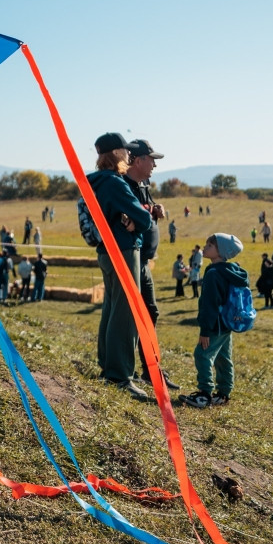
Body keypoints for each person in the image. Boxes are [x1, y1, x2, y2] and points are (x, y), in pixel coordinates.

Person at [87, 133, 154, 401]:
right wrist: (140, 217)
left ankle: (108, 365)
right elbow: (143, 218)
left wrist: (134, 216)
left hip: (107, 250)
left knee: (112, 308)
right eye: (125, 151)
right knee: (126, 312)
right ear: (116, 154)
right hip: (123, 249)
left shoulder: (96, 181)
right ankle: (119, 375)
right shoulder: (115, 182)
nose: (129, 155)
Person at [123, 138, 176, 389]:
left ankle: (149, 370)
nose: (154, 164)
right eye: (151, 159)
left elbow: (143, 209)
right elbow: (127, 212)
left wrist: (154, 207)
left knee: (149, 312)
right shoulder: (124, 184)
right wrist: (149, 210)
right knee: (139, 313)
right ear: (138, 159)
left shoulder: (143, 183)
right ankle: (134, 370)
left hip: (143, 258)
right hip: (133, 256)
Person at [180, 233, 247, 408]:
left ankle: (204, 394)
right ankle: (223, 394)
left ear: (221, 252)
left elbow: (209, 305)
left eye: (210, 245)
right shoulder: (231, 270)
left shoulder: (212, 274)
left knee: (202, 355)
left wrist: (205, 331)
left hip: (215, 325)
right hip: (227, 323)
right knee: (223, 357)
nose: (204, 247)